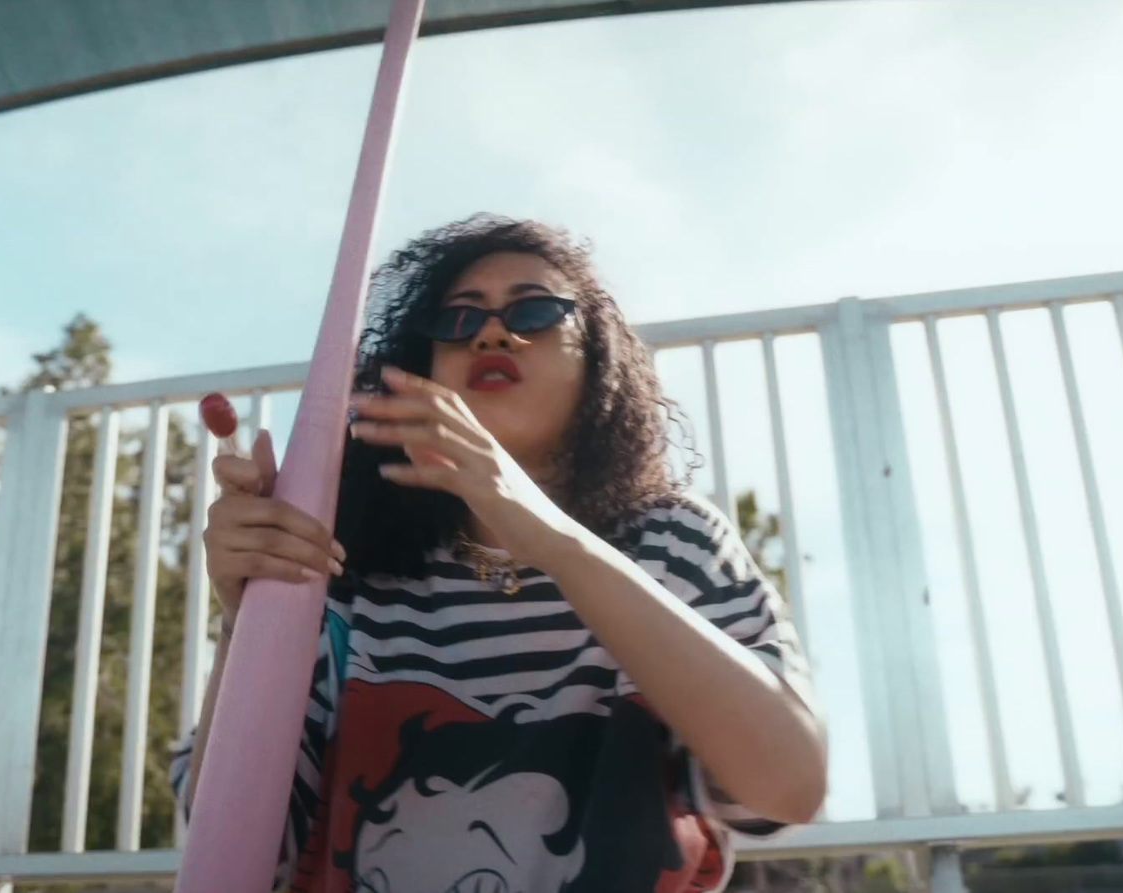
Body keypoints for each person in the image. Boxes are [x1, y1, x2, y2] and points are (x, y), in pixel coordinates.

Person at [171, 214, 825, 892]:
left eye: (535, 310)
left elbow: (786, 785)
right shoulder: (344, 568)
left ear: (598, 358)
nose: (491, 331)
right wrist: (251, 618)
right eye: (457, 319)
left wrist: (539, 525)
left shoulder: (671, 543)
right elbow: (238, 853)